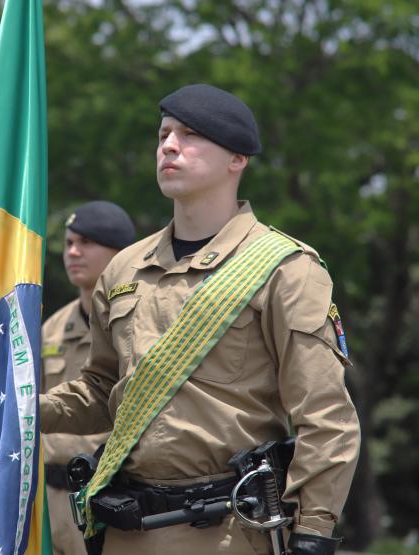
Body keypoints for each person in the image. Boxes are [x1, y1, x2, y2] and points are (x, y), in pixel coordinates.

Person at [40, 84, 360, 555]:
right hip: (125, 530)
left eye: (190, 135)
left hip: (229, 530)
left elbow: (325, 416)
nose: (168, 145)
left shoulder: (285, 269)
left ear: (237, 159)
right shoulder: (125, 269)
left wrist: (313, 531)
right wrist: (15, 411)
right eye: (164, 134)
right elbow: (99, 391)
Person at [42, 200, 136, 555]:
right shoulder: (51, 329)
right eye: (68, 243)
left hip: (108, 496)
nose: (73, 252)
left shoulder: (137, 325)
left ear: (120, 253)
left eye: (87, 242)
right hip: (50, 500)